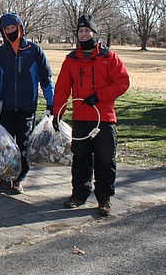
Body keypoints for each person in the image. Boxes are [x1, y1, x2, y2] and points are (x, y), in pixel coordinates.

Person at [53, 15, 130, 217]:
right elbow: (62, 88)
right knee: (81, 158)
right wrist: (57, 113)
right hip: (81, 118)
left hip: (104, 118)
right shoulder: (71, 60)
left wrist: (99, 96)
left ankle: (104, 198)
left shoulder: (109, 57)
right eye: (81, 31)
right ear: (77, 34)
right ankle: (79, 194)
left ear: (94, 33)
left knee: (105, 159)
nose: (84, 34)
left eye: (88, 31)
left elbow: (122, 82)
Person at [0, 12, 54, 195]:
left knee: (24, 144)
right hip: (6, 107)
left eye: (13, 28)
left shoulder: (34, 50)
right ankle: (5, 177)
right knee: (6, 145)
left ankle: (19, 179)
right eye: (6, 29)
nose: (10, 31)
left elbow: (45, 79)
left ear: (19, 28)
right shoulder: (0, 53)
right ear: (3, 31)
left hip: (27, 107)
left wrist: (51, 102)